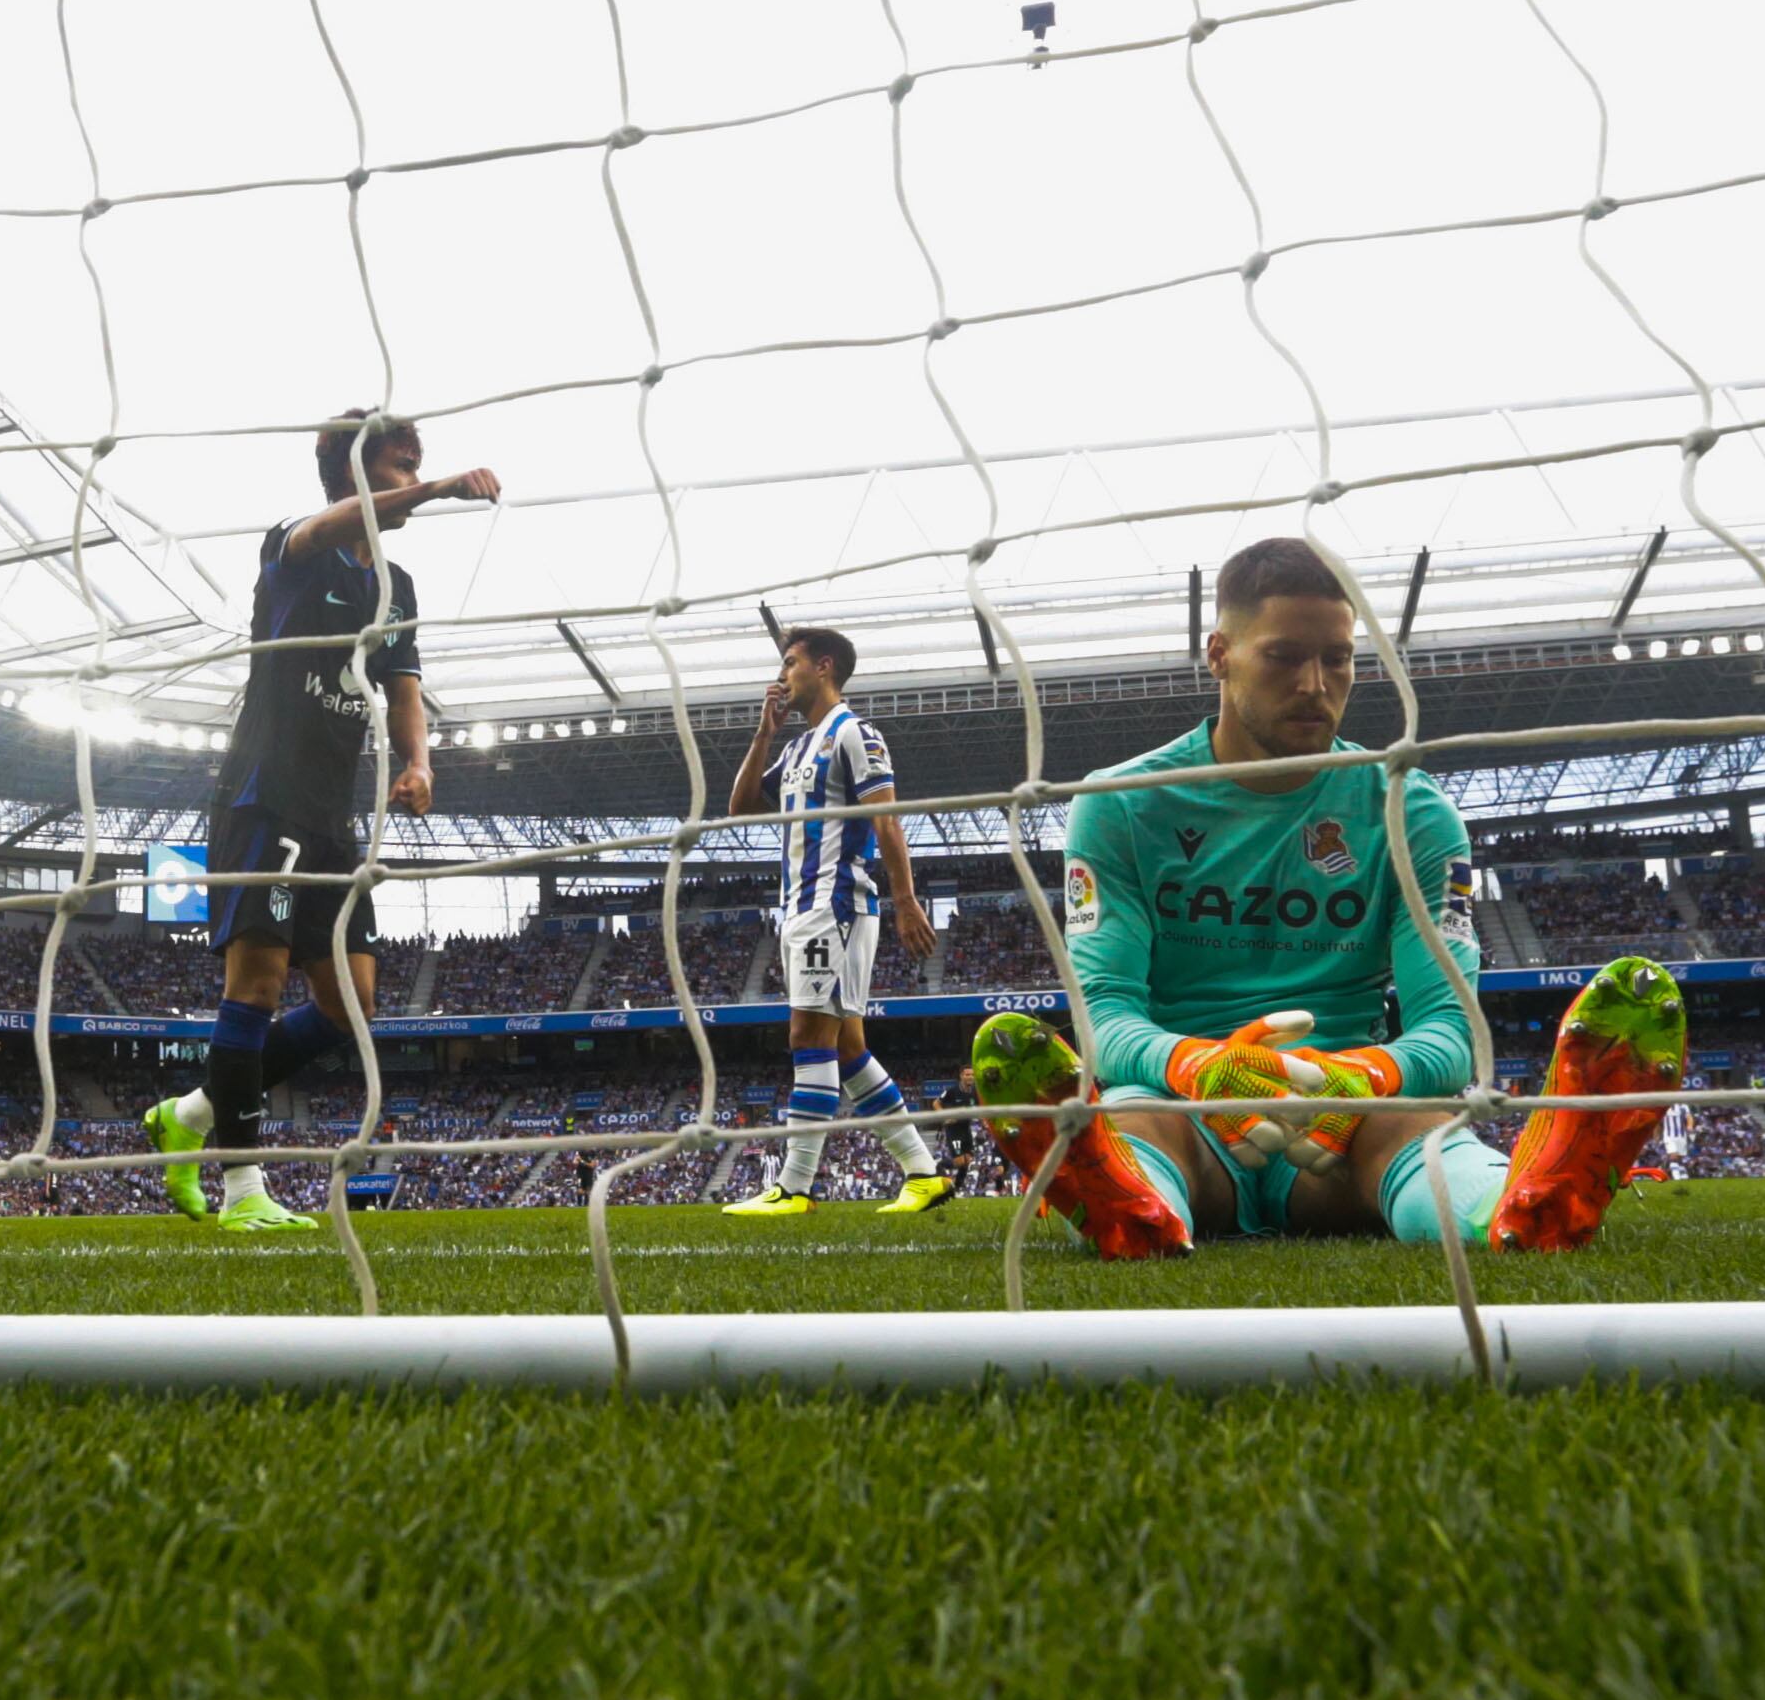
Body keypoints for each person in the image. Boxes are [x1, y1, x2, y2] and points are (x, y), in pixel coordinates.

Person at [987, 534, 1674, 1260]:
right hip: (1187, 1108)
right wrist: (1198, 1065)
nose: (1316, 683)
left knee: (1414, 1122)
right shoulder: (1120, 804)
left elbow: (1450, 1029)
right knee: (1132, 1121)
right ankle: (1133, 1204)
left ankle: (1511, 1208)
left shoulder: (1411, 811)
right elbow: (1105, 1018)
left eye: (1338, 658)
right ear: (1220, 654)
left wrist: (1363, 1074)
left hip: (1340, 1121)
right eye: (1284, 657)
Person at [141, 411, 497, 1230]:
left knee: (354, 1006)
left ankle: (189, 1114)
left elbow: (404, 687)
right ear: (352, 474)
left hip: (333, 814)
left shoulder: (397, 585)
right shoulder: (293, 544)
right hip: (264, 796)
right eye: (400, 467)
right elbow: (316, 532)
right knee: (257, 988)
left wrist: (419, 762)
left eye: (420, 467)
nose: (413, 478)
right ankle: (243, 1190)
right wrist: (442, 491)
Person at [717, 624, 947, 1215]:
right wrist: (763, 735)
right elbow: (740, 807)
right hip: (800, 909)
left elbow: (886, 819)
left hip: (836, 904)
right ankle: (922, 1173)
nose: (781, 674)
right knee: (846, 1050)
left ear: (823, 667)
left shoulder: (855, 733)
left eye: (789, 662)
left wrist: (905, 899)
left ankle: (794, 1186)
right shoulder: (796, 748)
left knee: (806, 1036)